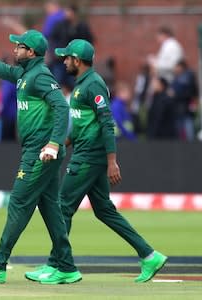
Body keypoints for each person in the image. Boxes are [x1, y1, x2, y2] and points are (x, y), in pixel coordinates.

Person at [32, 39, 167, 283]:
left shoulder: (93, 84)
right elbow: (83, 124)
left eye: (67, 58)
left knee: (63, 207)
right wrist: (61, 143)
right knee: (104, 210)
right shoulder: (81, 84)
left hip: (89, 156)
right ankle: (149, 255)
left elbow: (106, 122)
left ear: (78, 60)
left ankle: (59, 266)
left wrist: (112, 161)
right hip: (86, 152)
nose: (64, 61)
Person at [0, 29, 81, 285]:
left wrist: (53, 143)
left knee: (19, 201)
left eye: (18, 46)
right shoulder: (23, 74)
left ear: (30, 52)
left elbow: (62, 106)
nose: (14, 49)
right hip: (36, 150)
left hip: (41, 151)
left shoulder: (40, 76)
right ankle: (67, 266)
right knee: (49, 207)